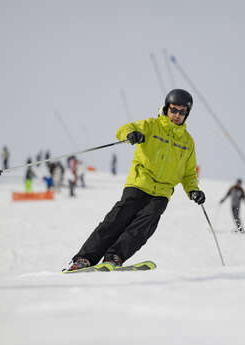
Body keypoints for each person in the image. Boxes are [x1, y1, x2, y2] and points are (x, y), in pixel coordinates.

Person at [66, 89, 205, 271]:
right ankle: (84, 259)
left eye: (182, 112)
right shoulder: (151, 126)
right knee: (116, 220)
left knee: (144, 226)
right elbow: (123, 129)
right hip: (140, 183)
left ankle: (115, 256)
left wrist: (193, 190)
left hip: (162, 192)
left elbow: (188, 173)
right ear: (166, 108)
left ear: (187, 113)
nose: (177, 115)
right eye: (173, 110)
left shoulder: (188, 142)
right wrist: (131, 135)